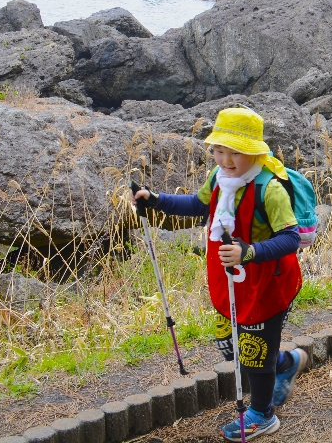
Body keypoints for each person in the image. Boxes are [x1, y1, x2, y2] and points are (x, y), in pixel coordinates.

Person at [131, 107, 318, 441]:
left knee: (253, 354)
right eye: (219, 150)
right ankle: (286, 362)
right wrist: (156, 200)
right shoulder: (221, 178)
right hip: (229, 279)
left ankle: (262, 414)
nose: (226, 159)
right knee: (229, 344)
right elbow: (199, 206)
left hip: (265, 282)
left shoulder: (270, 189)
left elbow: (290, 239)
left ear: (255, 153)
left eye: (236, 153)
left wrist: (249, 251)